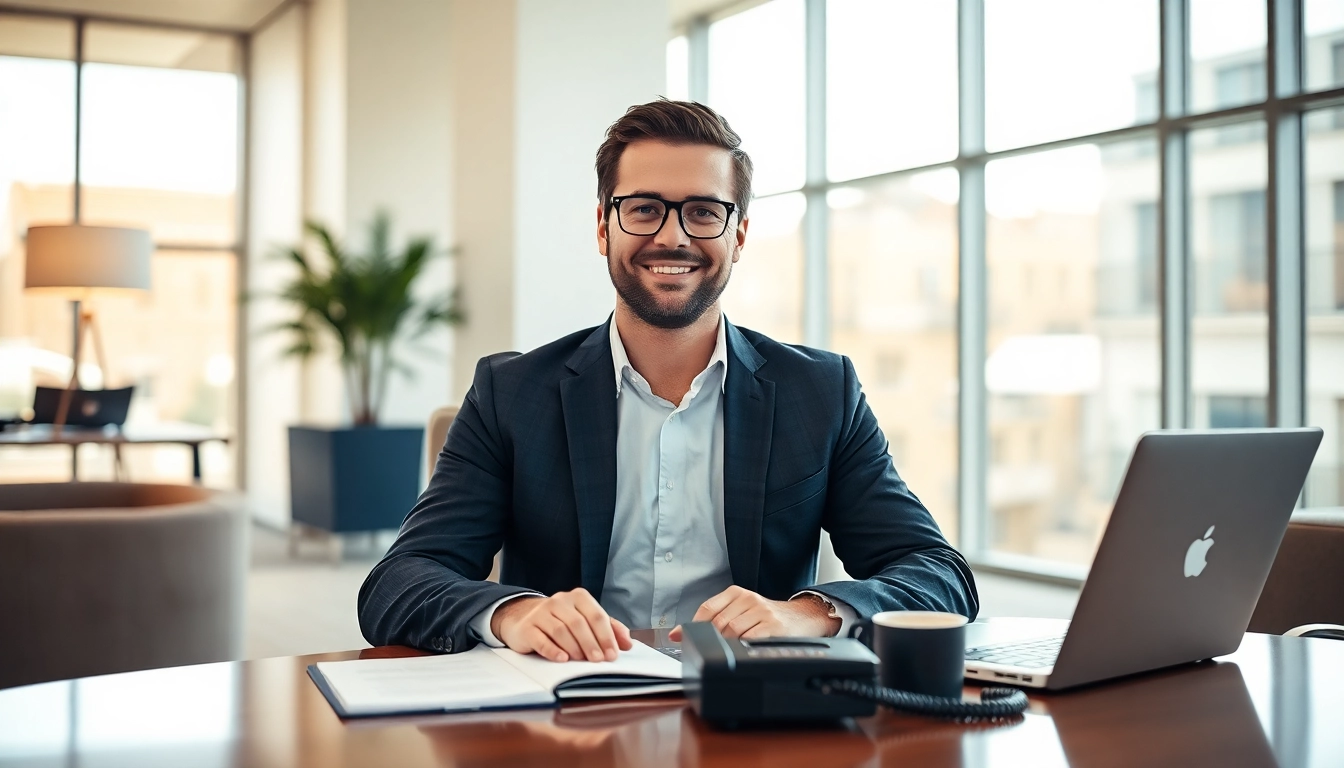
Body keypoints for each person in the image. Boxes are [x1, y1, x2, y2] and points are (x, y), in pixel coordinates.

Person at [358, 99, 977, 663]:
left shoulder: (820, 392)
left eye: (704, 212)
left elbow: (938, 574)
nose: (672, 236)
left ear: (738, 235)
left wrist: (810, 613)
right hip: (566, 709)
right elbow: (398, 581)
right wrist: (514, 613)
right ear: (604, 226)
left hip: (755, 714)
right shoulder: (511, 393)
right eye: (645, 209)